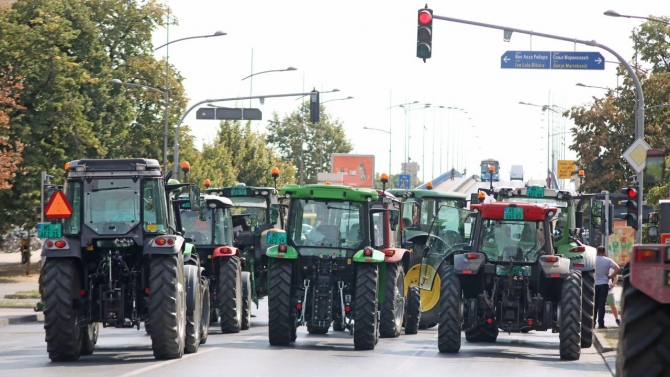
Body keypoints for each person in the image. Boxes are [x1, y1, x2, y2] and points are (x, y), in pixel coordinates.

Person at [595, 245, 620, 329]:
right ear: (604, 252)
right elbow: (617, 268)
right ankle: (601, 324)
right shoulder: (608, 260)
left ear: (597, 252)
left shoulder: (593, 260)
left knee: (594, 305)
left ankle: (592, 322)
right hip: (604, 284)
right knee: (601, 304)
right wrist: (610, 276)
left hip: (594, 284)